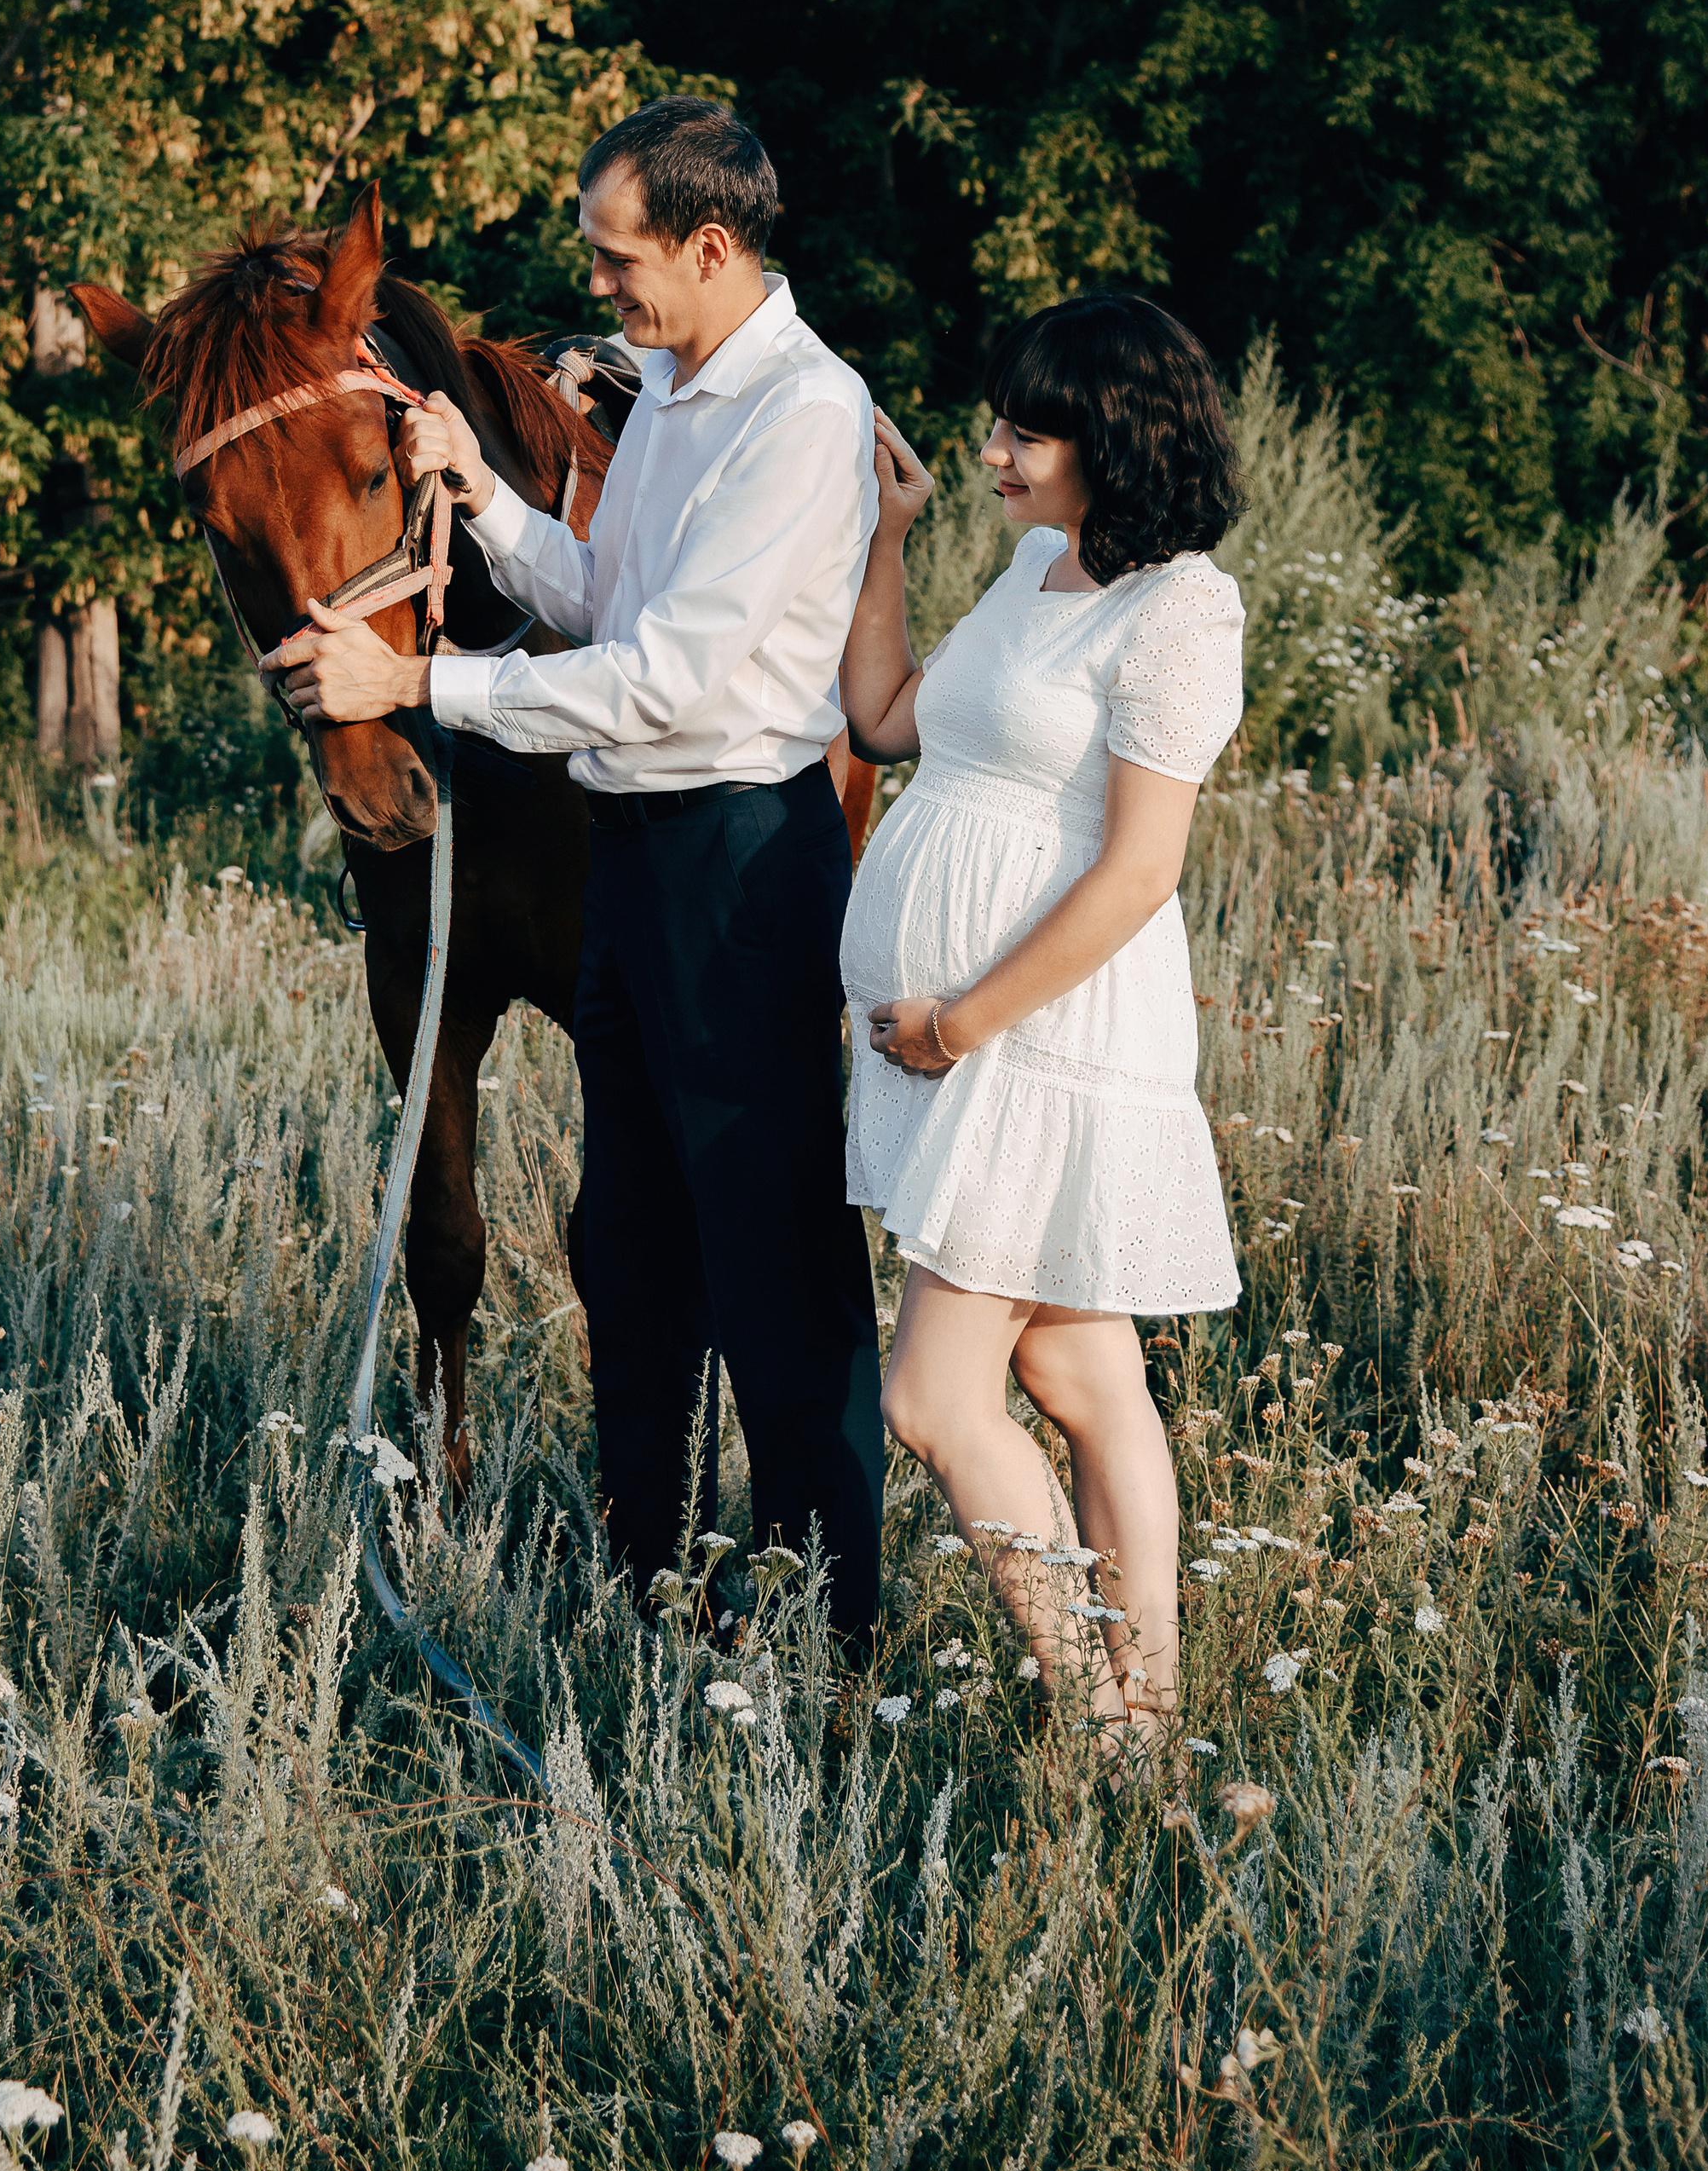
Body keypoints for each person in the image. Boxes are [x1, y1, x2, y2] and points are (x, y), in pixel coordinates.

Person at [278, 98, 887, 1640]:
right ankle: (655, 1580)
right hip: (638, 863)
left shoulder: (802, 416)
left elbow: (665, 680)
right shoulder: (682, 391)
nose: (601, 287)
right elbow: (603, 597)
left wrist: (413, 689)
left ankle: (827, 1615)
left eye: (620, 260)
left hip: (741, 867)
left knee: (771, 1257)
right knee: (631, 1244)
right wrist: (480, 491)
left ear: (709, 244)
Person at [838, 291, 1246, 1767]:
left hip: (1041, 1038)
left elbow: (1140, 868)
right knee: (1083, 1375)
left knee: (935, 1395)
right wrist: (890, 534)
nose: (995, 449)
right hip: (970, 1041)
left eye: (1026, 429)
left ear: (1115, 440)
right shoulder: (1033, 566)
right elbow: (885, 718)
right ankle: (1150, 1713)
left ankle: (1096, 1710)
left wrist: (960, 1021)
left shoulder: (1179, 607)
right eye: (998, 422)